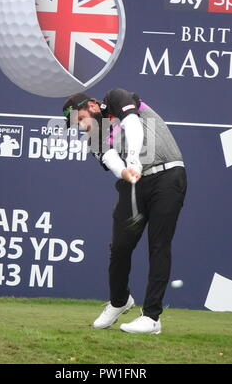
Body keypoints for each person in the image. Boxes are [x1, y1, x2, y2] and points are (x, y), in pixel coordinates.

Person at [62, 88, 187, 334]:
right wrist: (125, 171)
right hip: (135, 183)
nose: (82, 127)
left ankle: (152, 318)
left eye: (81, 120)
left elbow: (132, 125)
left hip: (168, 175)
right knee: (119, 247)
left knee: (158, 245)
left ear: (92, 107)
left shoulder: (117, 98)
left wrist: (133, 158)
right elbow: (109, 158)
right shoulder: (94, 137)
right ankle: (120, 301)